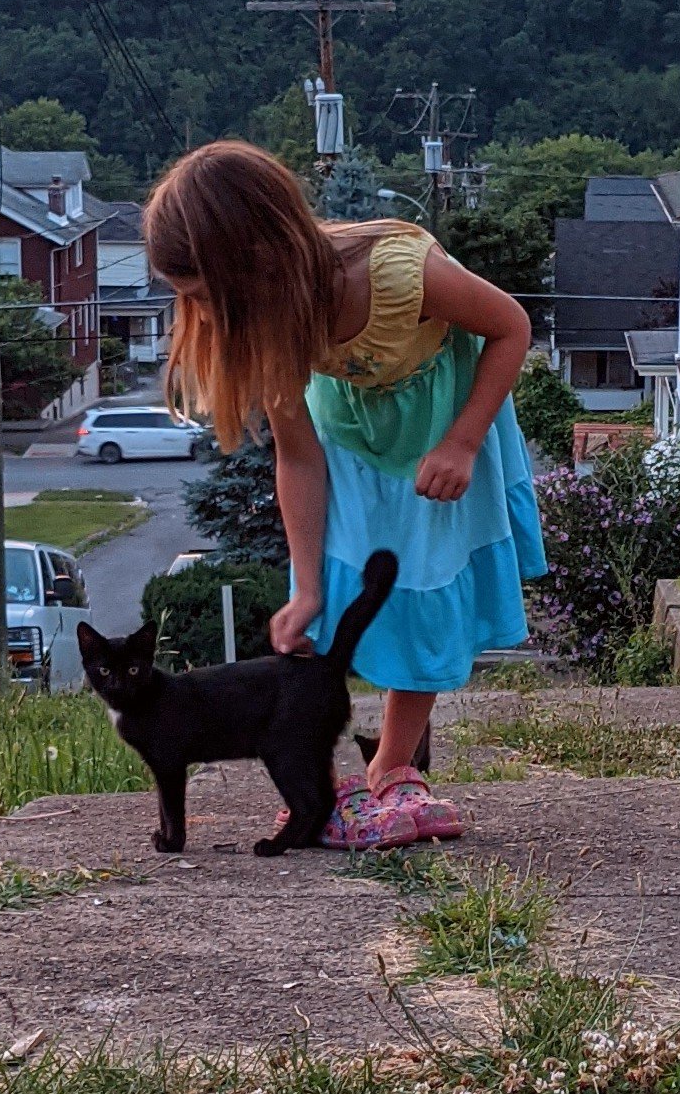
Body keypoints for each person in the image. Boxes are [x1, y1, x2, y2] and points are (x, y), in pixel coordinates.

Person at [146, 139, 545, 850]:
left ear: (257, 259)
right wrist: (304, 589)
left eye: (203, 294)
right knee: (347, 590)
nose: (199, 313)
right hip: (352, 436)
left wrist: (462, 441)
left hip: (440, 426)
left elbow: (511, 326)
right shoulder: (272, 323)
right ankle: (338, 784)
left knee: (418, 588)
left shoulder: (399, 272)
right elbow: (299, 460)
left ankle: (391, 768)